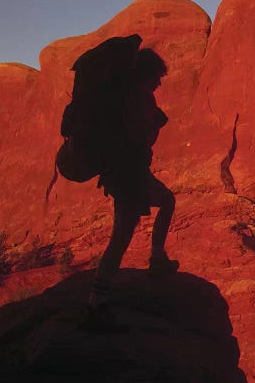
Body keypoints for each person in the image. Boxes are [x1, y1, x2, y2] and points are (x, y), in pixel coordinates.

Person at [83, 48, 178, 332]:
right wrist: (155, 125)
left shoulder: (122, 97)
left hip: (122, 173)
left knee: (131, 227)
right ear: (147, 74)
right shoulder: (140, 97)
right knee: (121, 237)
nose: (159, 83)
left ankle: (156, 258)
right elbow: (140, 138)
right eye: (157, 77)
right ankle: (96, 303)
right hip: (130, 173)